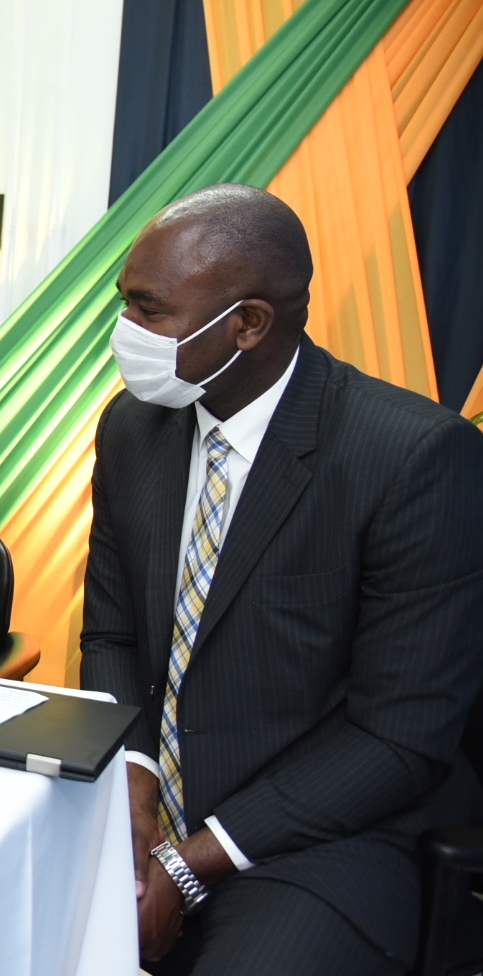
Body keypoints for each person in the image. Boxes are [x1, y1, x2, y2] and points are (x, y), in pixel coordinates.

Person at [80, 184, 483, 974]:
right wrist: (134, 787)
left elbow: (397, 738)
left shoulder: (412, 458)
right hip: (152, 809)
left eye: (149, 309)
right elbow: (112, 634)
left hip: (326, 836)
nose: (126, 331)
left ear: (248, 325)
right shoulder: (132, 428)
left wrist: (193, 861)